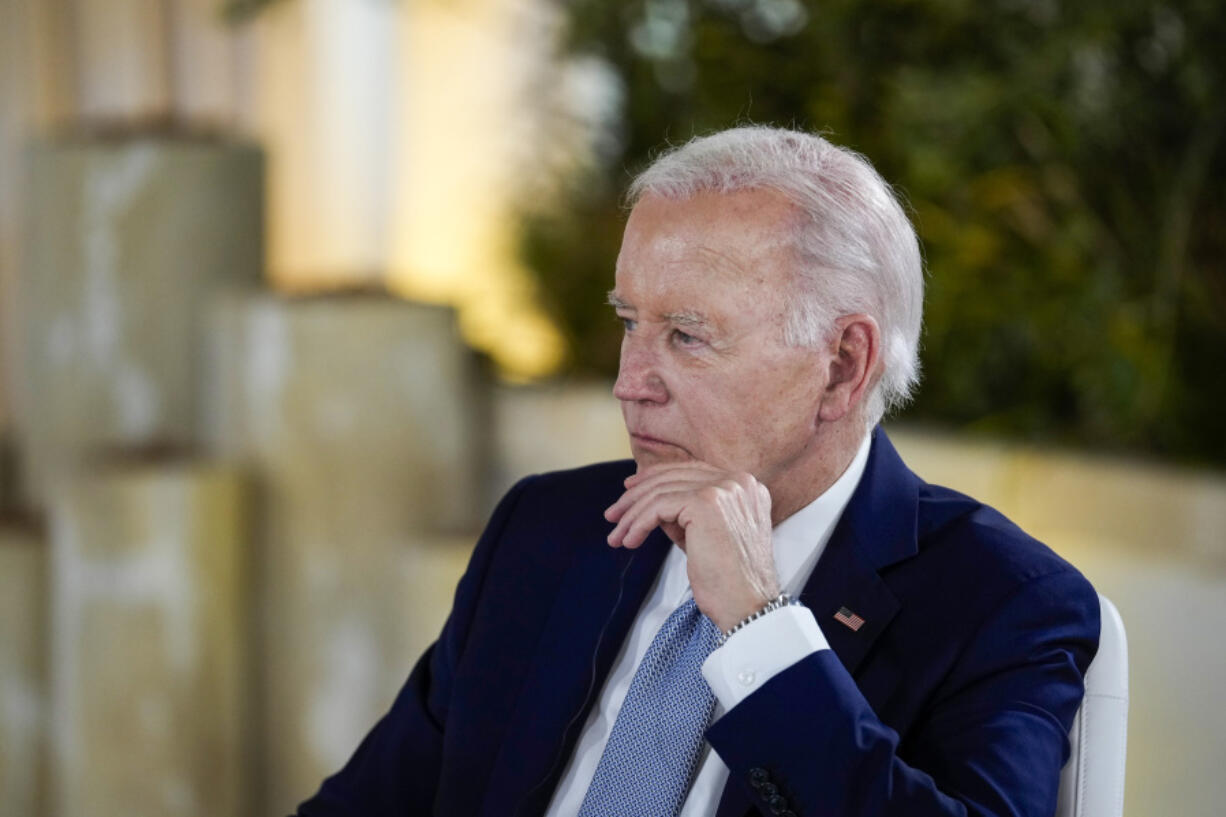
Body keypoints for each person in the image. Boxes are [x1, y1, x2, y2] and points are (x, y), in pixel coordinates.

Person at [295, 126, 1099, 817]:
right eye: (629, 323)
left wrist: (761, 629)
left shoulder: (1004, 602)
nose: (629, 381)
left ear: (842, 366)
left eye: (685, 334)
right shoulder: (547, 529)